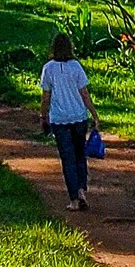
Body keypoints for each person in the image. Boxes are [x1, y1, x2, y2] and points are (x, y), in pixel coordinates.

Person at [39, 32, 100, 210]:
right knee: (80, 156)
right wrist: (94, 114)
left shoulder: (48, 69)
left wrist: (43, 116)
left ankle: (73, 199)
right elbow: (85, 93)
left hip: (60, 120)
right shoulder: (76, 67)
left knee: (68, 159)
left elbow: (45, 97)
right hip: (79, 117)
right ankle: (81, 190)